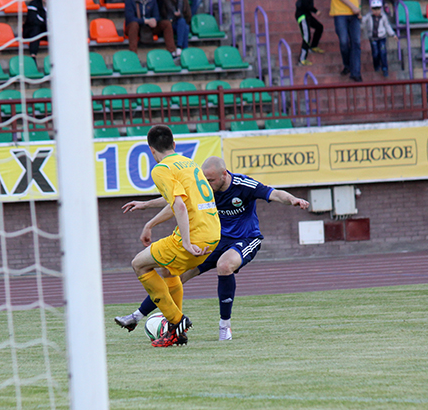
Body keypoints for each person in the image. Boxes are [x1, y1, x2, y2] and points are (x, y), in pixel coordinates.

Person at [116, 157, 309, 341]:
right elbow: (176, 201)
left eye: (211, 180)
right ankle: (137, 316)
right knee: (173, 276)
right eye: (205, 179)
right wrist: (145, 205)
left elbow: (275, 193)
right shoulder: (204, 187)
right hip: (215, 240)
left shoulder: (243, 185)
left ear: (224, 174)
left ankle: (225, 325)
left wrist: (293, 199)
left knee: (224, 266)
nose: (207, 184)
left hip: (244, 239)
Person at [123, 125, 220, 347]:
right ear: (174, 145)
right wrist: (148, 214)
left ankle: (177, 321)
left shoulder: (161, 169)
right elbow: (180, 201)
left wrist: (186, 242)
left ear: (151, 150)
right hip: (213, 233)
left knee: (139, 264)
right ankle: (177, 335)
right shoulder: (189, 164)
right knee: (167, 270)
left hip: (194, 236)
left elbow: (179, 206)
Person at [362, 0, 396, 77]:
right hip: (373, 38)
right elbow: (363, 20)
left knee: (383, 52)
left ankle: (385, 68)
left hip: (382, 37)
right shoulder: (369, 16)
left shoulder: (383, 17)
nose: (376, 11)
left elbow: (387, 26)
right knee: (375, 53)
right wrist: (360, 18)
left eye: (378, 9)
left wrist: (393, 34)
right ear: (371, 9)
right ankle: (376, 65)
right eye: (374, 9)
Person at [331, 0, 362, 82]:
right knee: (344, 42)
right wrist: (353, 7)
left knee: (356, 42)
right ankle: (348, 65)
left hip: (354, 13)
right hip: (340, 12)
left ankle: (356, 73)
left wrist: (359, 9)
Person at [296, 0, 325, 67]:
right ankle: (302, 59)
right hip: (302, 16)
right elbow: (305, 4)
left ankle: (313, 46)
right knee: (306, 36)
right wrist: (316, 11)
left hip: (307, 15)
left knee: (319, 27)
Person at [23, 0, 47, 65]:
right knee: (35, 30)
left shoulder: (53, 7)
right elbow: (32, 20)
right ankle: (33, 56)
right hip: (31, 30)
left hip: (44, 29)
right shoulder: (33, 4)